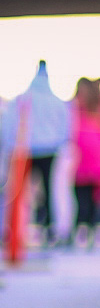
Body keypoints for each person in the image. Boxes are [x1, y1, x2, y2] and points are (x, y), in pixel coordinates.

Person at [3, 62, 70, 244]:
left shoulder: (22, 99)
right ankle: (49, 228)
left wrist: (10, 146)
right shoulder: (56, 102)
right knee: (46, 191)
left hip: (24, 150)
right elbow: (66, 129)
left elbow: (8, 125)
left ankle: (13, 229)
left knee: (19, 192)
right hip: (45, 150)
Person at [69, 77, 100, 251]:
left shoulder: (80, 105)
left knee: (85, 198)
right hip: (93, 158)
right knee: (94, 198)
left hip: (88, 159)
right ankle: (94, 231)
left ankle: (86, 232)